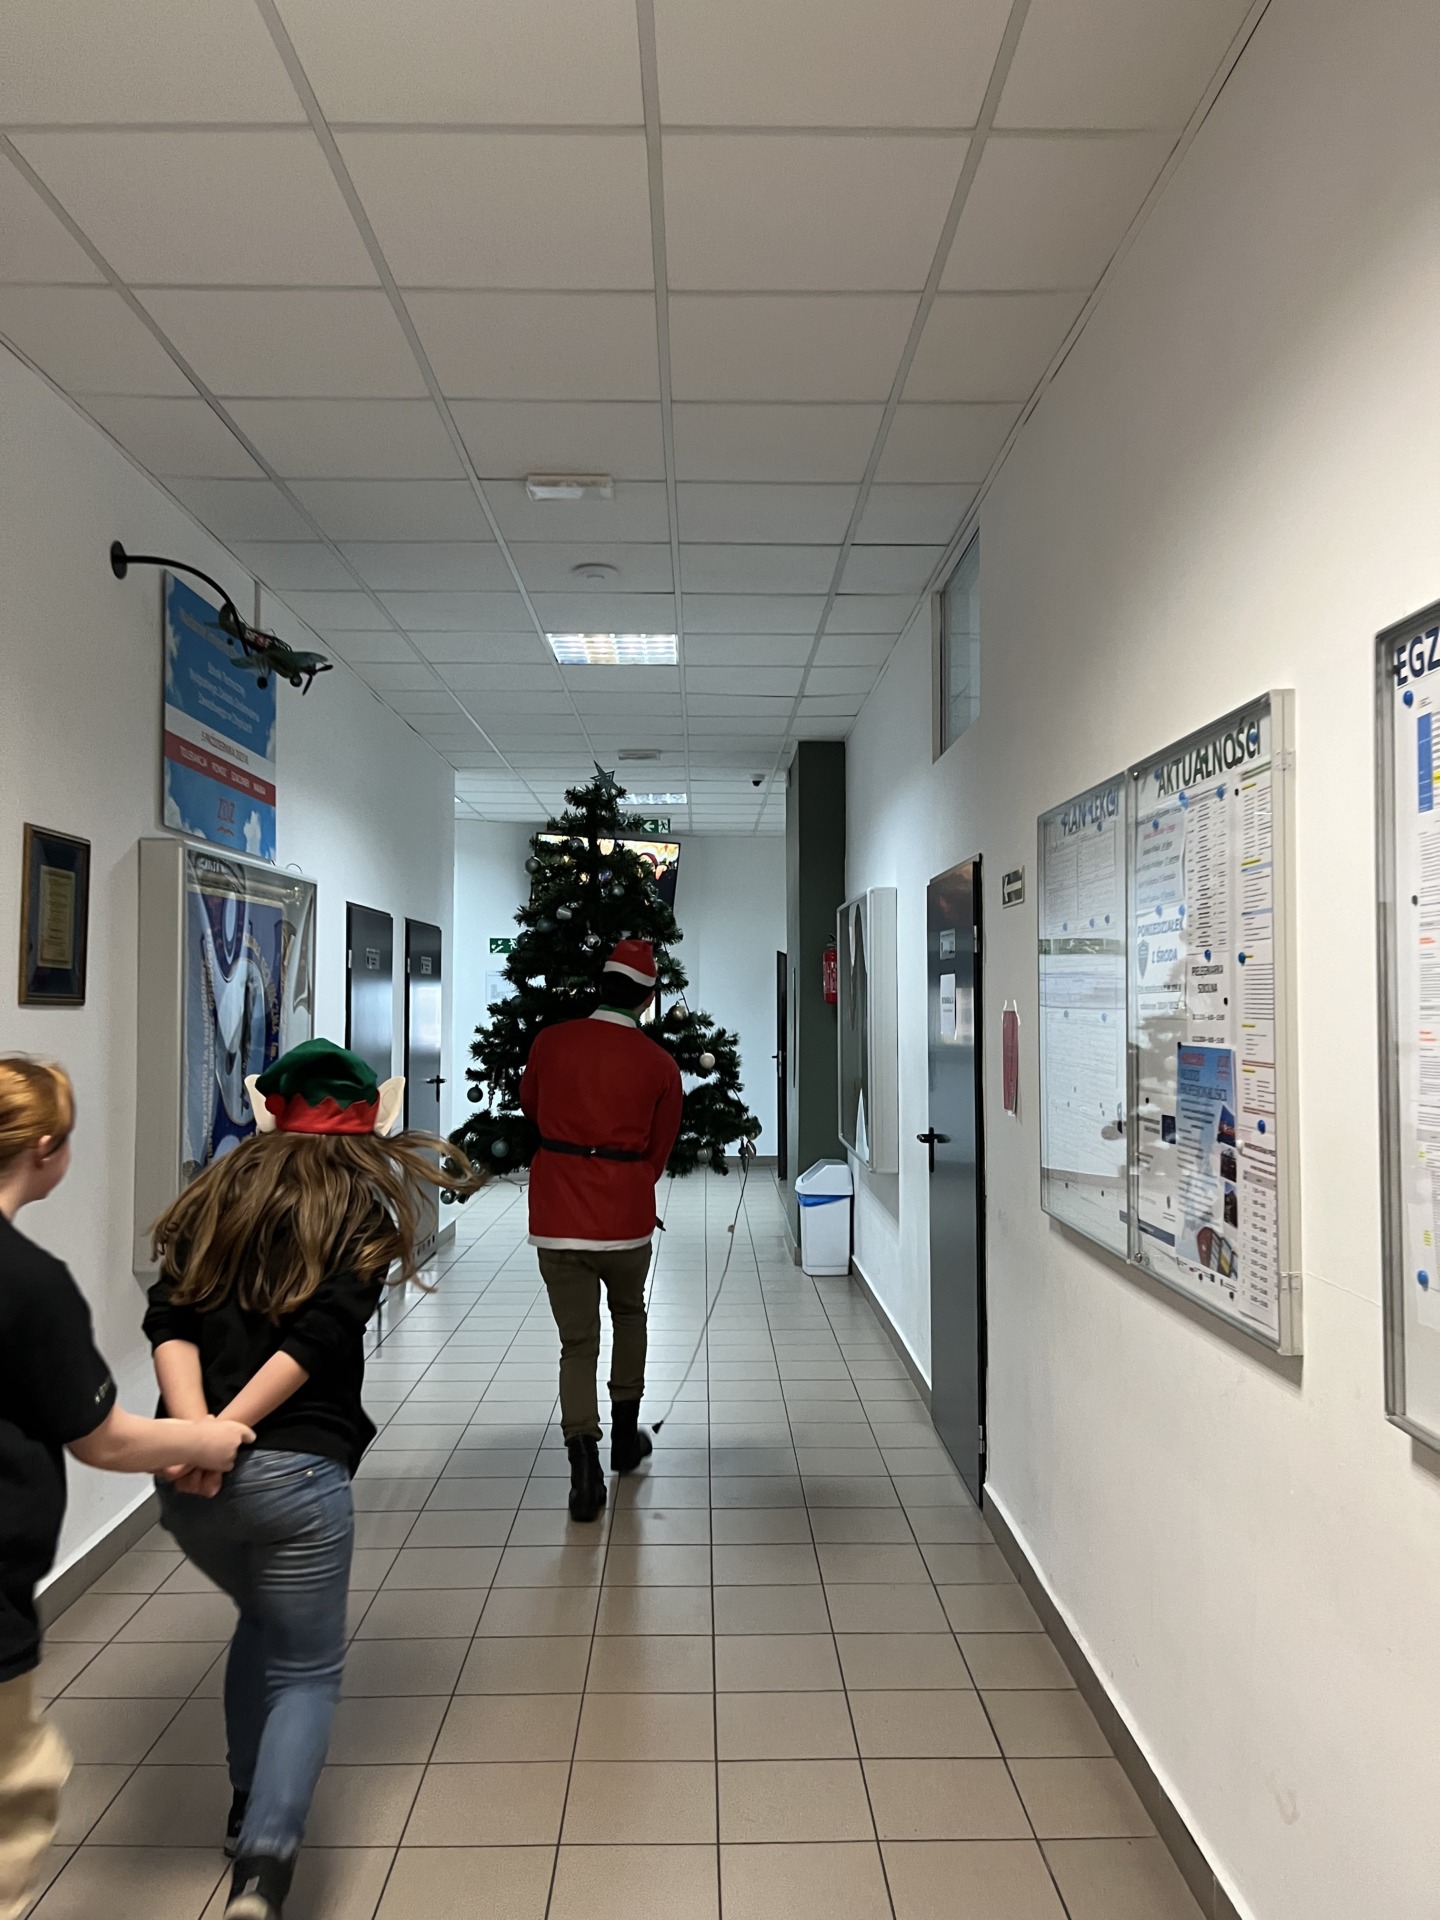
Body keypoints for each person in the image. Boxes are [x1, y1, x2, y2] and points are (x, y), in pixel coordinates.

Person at [145, 1038, 474, 1920]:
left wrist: (198, 1432)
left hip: (185, 1487)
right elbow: (318, 1339)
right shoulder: (360, 1211)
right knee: (304, 1671)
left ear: (272, 1115)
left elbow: (168, 1316)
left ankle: (242, 1804)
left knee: (261, 1618)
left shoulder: (216, 1193)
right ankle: (263, 1871)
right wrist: (229, 1432)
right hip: (295, 1480)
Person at [0, 1056, 252, 1920]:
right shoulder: (28, 1282)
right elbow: (104, 1439)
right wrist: (208, 1437)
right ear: (45, 1149)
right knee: (16, 1785)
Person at [519, 939, 684, 1522]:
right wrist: (628, 1179)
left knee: (577, 1342)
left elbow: (531, 1105)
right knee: (630, 1315)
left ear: (602, 986)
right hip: (625, 1218)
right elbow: (659, 1148)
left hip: (558, 1216)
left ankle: (583, 1468)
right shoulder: (659, 1064)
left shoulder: (551, 1042)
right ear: (647, 998)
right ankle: (624, 1440)